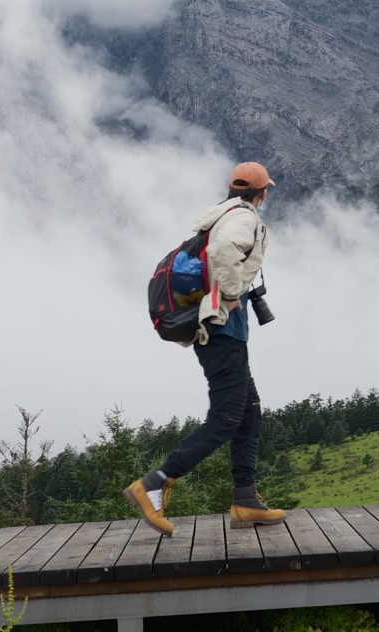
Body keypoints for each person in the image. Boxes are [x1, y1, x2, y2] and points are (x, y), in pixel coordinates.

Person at [124, 161, 285, 535]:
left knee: (249, 412)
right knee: (227, 417)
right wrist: (229, 295)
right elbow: (225, 251)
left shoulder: (218, 215)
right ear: (261, 193)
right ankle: (154, 483)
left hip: (220, 331)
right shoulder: (243, 219)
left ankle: (245, 499)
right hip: (221, 330)